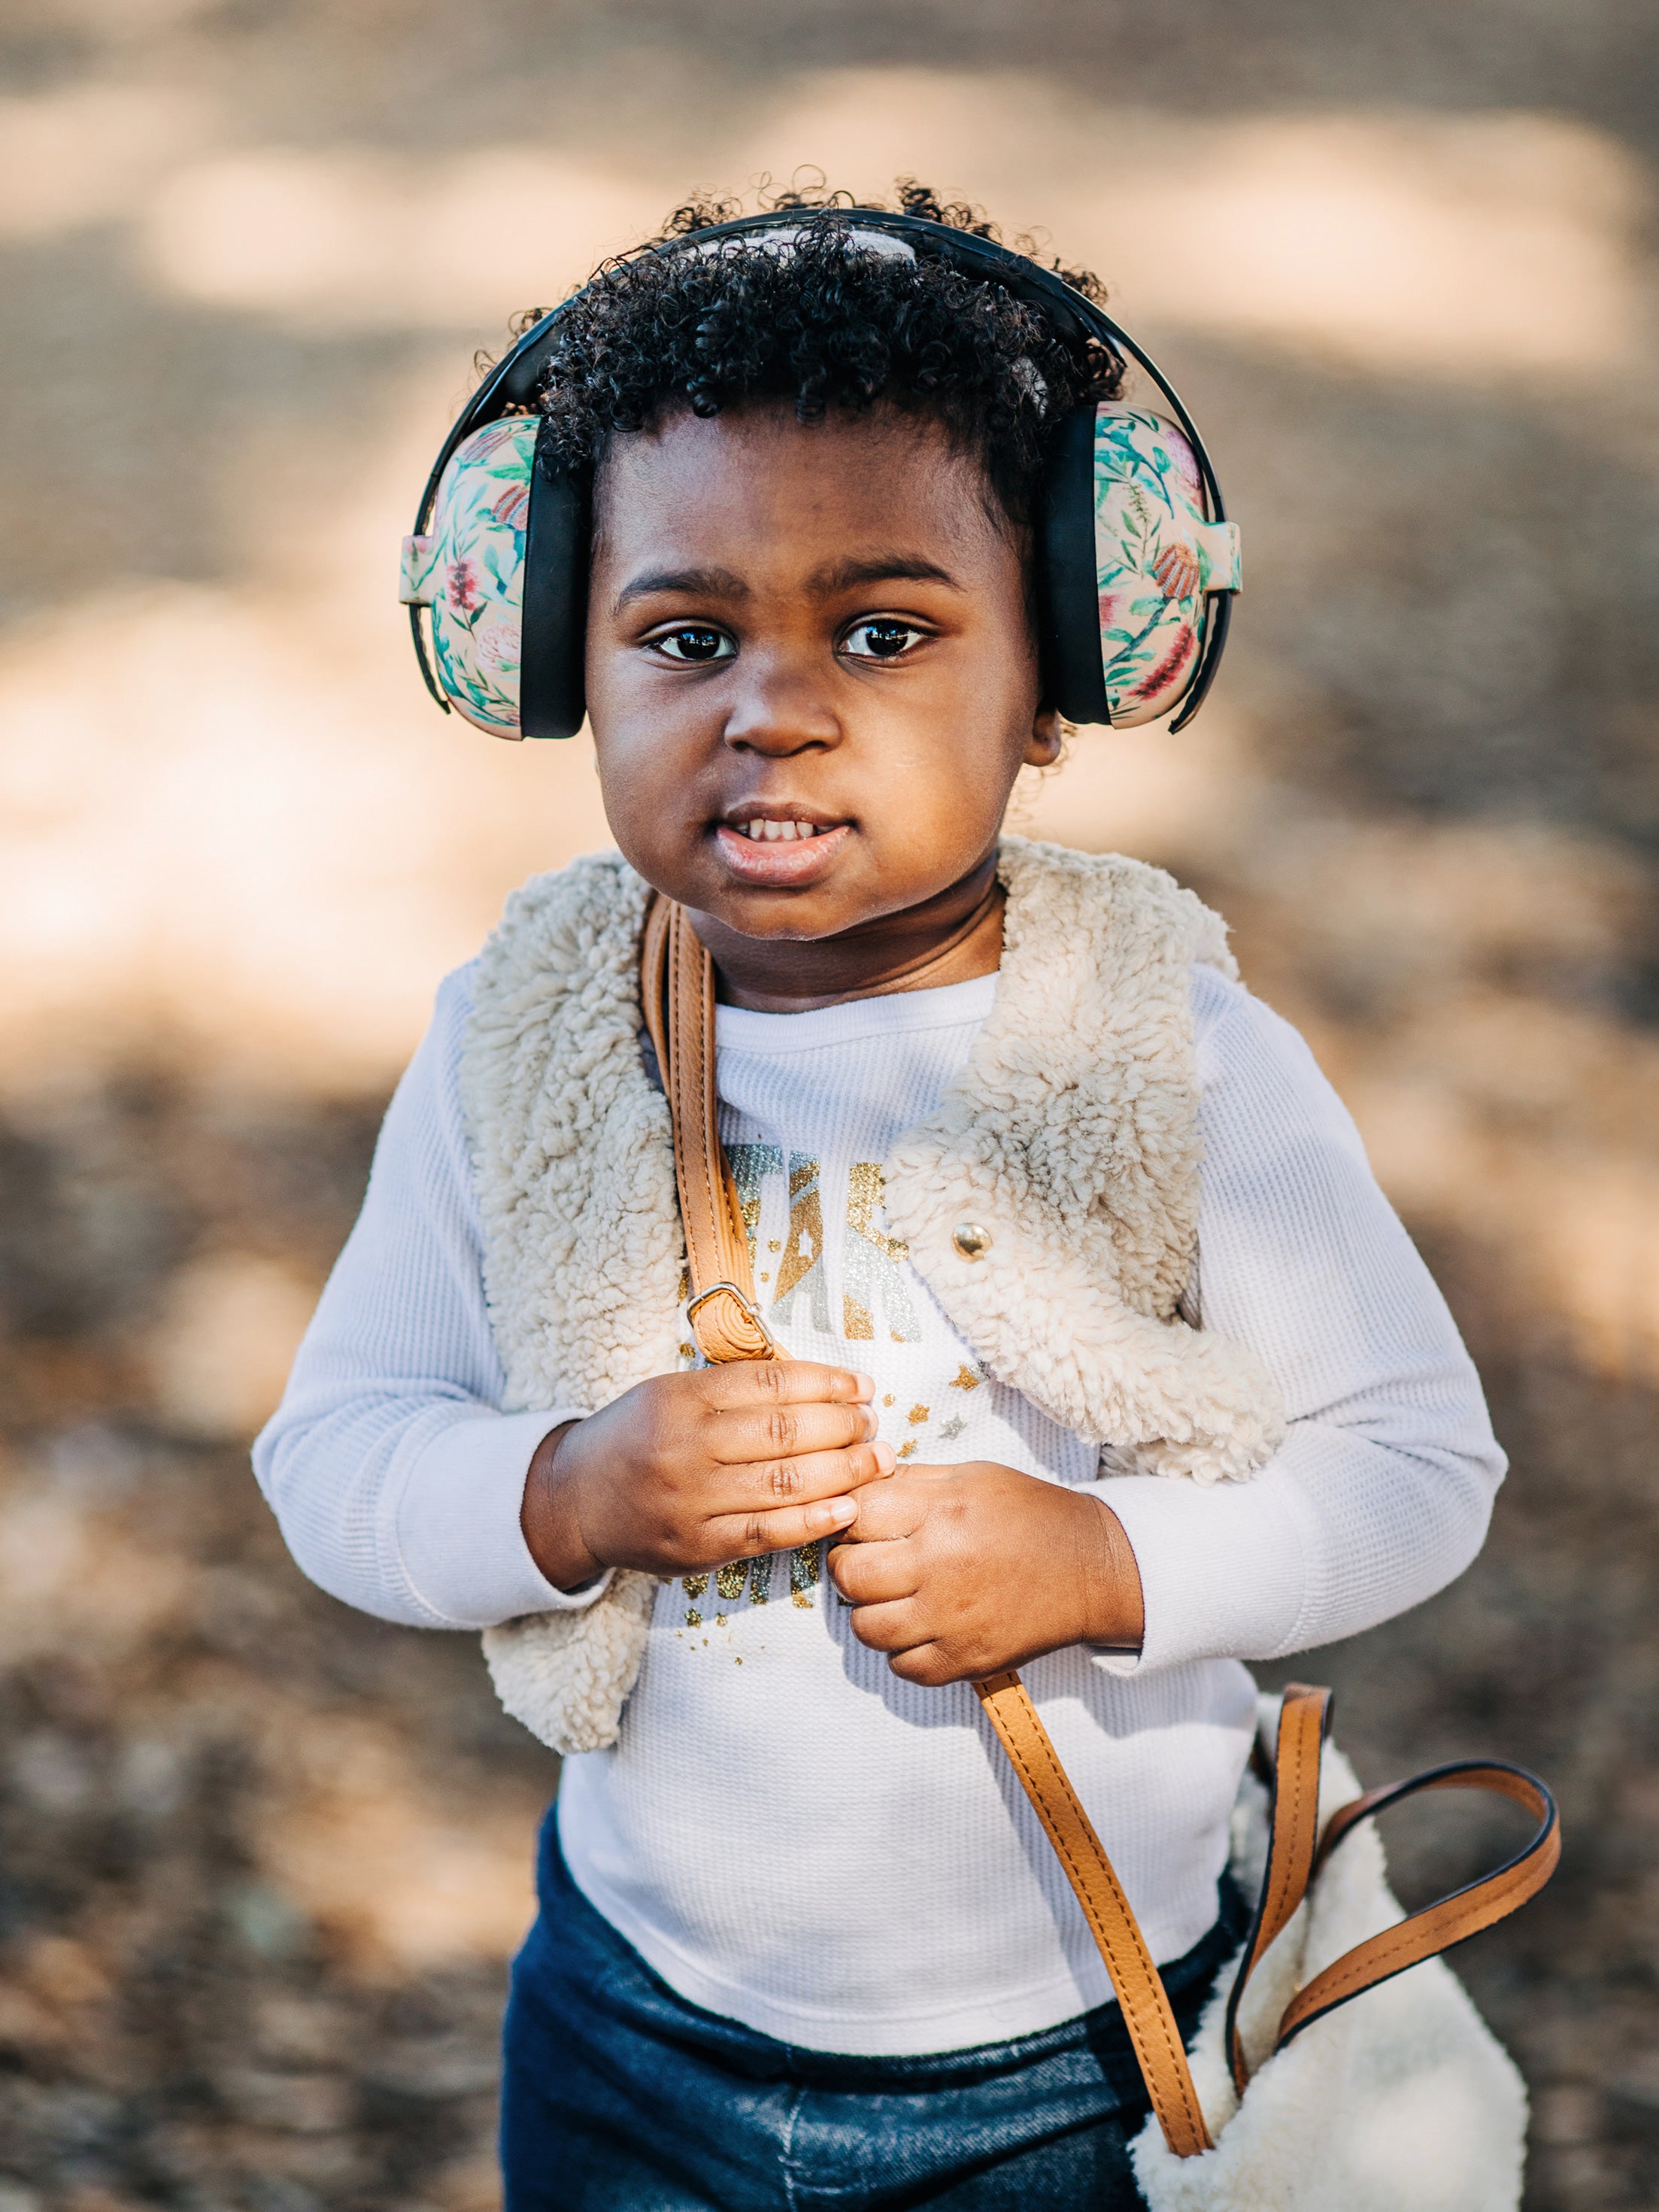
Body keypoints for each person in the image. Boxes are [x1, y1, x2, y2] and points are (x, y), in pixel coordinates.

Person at [253, 185, 1505, 2209]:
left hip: (1081, 2060)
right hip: (634, 2029)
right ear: (554, 653)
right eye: (684, 635)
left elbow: (1416, 1461)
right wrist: (561, 1494)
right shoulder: (525, 1033)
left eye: (888, 630)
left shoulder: (1164, 1044)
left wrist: (1110, 1560)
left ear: (1071, 664)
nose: (776, 703)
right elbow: (336, 1457)